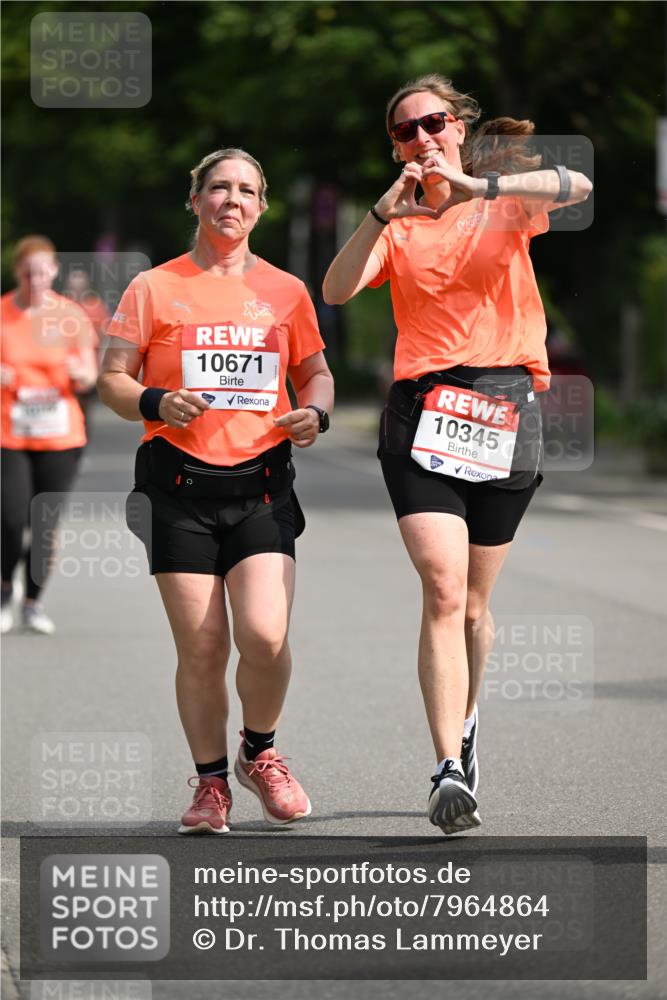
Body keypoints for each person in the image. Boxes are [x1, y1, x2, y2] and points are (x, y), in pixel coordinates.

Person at [323, 74, 592, 836]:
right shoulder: (397, 224)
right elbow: (336, 290)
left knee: (475, 602)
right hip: (422, 413)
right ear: (395, 148)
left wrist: (475, 181)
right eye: (405, 132)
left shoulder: (503, 197)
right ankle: (445, 767)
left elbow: (577, 181)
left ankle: (467, 720)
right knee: (442, 590)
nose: (421, 140)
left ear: (459, 127)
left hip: (505, 405)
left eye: (433, 124)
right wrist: (380, 211)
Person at [98, 148, 334, 835]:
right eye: (219, 187)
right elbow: (112, 378)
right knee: (202, 648)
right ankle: (209, 787)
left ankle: (259, 754)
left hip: (260, 486)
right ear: (196, 200)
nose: (232, 199)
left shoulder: (286, 291)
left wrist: (313, 413)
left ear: (261, 207)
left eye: (247, 190)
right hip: (177, 488)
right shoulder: (153, 287)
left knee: (264, 634)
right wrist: (153, 397)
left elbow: (315, 374)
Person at [1, 236, 97, 635]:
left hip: (60, 435)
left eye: (42, 272)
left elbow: (92, 373)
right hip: (10, 433)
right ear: (17, 272)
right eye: (28, 272)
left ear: (54, 271)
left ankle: (32, 603)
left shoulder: (71, 315)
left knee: (44, 524)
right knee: (9, 519)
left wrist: (81, 375)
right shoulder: (3, 313)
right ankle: (6, 589)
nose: (36, 279)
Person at [63, 267, 111, 432]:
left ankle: (81, 442)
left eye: (79, 283)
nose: (75, 286)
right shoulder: (61, 305)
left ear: (85, 285)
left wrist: (103, 365)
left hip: (87, 365)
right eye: (72, 282)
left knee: (83, 408)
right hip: (64, 367)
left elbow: (106, 333)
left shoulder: (95, 305)